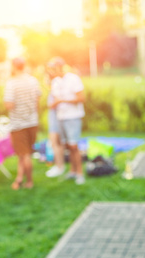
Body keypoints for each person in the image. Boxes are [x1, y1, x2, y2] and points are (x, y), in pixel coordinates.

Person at [3, 57, 41, 190]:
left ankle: (29, 181)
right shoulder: (33, 80)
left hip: (18, 124)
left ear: (13, 66)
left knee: (24, 154)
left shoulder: (11, 83)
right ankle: (19, 178)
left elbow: (9, 104)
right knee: (24, 153)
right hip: (32, 122)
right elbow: (37, 101)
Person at [47, 57, 86, 185]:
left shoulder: (73, 78)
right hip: (61, 117)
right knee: (67, 146)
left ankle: (80, 174)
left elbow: (81, 98)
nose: (52, 71)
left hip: (73, 117)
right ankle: (72, 171)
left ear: (61, 67)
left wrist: (62, 101)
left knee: (74, 146)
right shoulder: (55, 82)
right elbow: (55, 100)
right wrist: (54, 104)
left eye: (54, 68)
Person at [45, 59, 66, 178]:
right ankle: (59, 166)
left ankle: (59, 167)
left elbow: (57, 100)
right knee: (57, 143)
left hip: (56, 118)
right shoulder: (58, 82)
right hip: (56, 117)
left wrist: (50, 105)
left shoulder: (56, 82)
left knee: (55, 143)